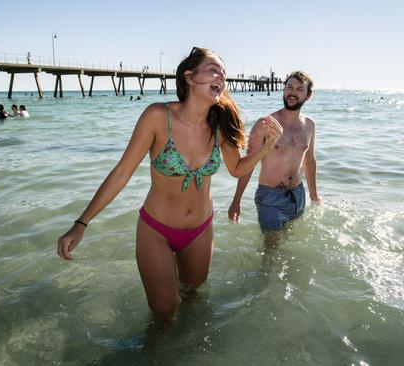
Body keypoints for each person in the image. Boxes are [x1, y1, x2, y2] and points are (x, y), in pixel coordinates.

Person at [56, 47, 283, 321]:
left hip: (200, 231)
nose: (221, 77)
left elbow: (236, 169)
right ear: (189, 77)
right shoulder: (157, 116)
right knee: (163, 313)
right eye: (214, 70)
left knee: (193, 299)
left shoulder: (220, 124)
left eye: (224, 73)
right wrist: (81, 223)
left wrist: (266, 147)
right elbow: (121, 173)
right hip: (156, 230)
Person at [228, 71, 321, 246]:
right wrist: (236, 201)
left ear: (308, 95)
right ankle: (264, 274)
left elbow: (309, 160)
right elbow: (249, 164)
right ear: (284, 90)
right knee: (272, 250)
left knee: (289, 243)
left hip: (298, 195)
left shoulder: (309, 125)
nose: (292, 92)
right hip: (270, 198)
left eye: (300, 89)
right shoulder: (265, 124)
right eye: (289, 87)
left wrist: (314, 195)